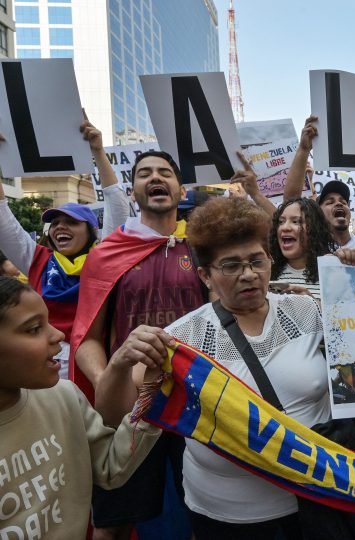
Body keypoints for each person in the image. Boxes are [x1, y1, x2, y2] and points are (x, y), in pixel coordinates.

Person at [96, 196, 355, 539]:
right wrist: (119, 362)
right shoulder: (181, 338)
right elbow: (114, 412)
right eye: (231, 266)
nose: (249, 274)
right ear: (206, 276)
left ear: (270, 261)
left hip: (315, 502)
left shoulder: (306, 311)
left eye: (257, 261)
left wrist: (353, 272)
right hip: (225, 516)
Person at [70, 150, 255, 539]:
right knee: (115, 521)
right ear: (133, 190)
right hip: (134, 409)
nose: (155, 178)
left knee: (207, 514)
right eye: (144, 174)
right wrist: (112, 382)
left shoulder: (205, 248)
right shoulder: (105, 255)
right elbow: (86, 337)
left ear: (180, 188)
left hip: (197, 402)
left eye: (165, 172)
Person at [0, 276, 164, 539]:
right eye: (33, 329)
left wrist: (149, 391)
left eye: (49, 322)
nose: (58, 335)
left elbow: (111, 467)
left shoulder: (64, 397)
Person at [0, 118, 124, 379]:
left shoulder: (104, 258)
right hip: (48, 372)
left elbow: (117, 204)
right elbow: (3, 221)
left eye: (71, 222)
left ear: (91, 231)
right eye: (55, 223)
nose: (59, 228)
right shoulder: (38, 260)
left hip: (96, 370)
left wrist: (98, 153)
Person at [284, 115, 355, 253]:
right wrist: (303, 149)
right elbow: (289, 203)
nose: (339, 204)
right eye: (329, 202)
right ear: (318, 214)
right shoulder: (309, 245)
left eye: (344, 202)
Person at [270, 197, 336, 300]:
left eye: (296, 221)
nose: (285, 227)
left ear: (315, 229)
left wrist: (312, 305)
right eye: (281, 222)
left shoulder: (331, 271)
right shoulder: (268, 272)